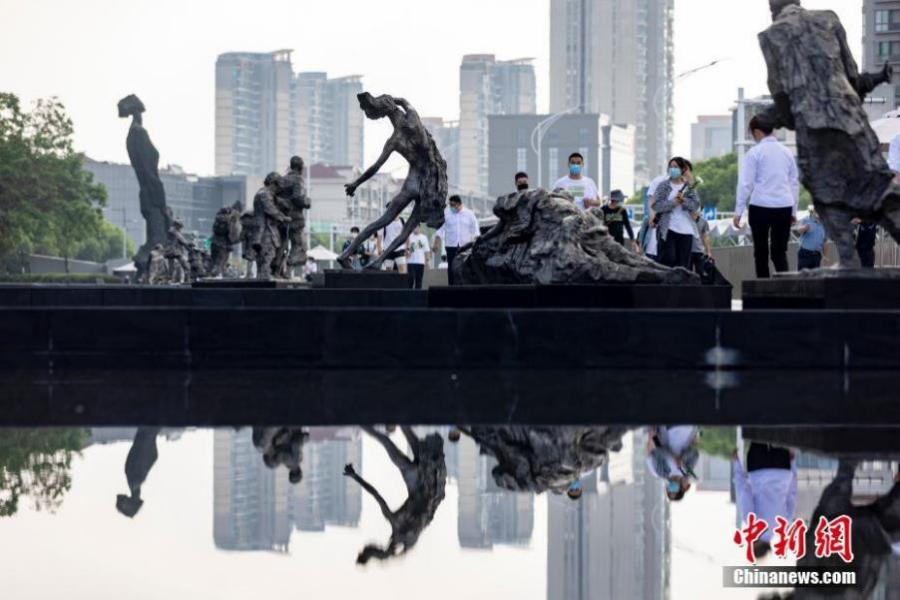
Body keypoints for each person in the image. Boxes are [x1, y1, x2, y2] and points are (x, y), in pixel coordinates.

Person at [338, 94, 448, 270]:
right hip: (429, 182)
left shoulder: (394, 140)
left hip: (413, 181)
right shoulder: (414, 120)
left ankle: (347, 255)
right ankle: (379, 260)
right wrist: (390, 100)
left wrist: (356, 183)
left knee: (384, 220)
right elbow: (405, 101)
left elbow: (375, 167)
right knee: (407, 230)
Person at [733, 114, 800, 278]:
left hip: (760, 206)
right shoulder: (787, 152)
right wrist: (793, 211)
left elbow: (746, 184)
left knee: (760, 253)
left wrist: (738, 211)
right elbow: (794, 183)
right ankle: (785, 291)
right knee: (779, 252)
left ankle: (762, 293)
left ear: (756, 132)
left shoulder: (755, 152)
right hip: (783, 207)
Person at [733, 443, 797, 561]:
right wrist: (736, 464)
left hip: (782, 469)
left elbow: (792, 493)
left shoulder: (785, 523)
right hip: (759, 469)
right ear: (755, 545)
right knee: (758, 429)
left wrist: (792, 464)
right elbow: (743, 491)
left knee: (778, 431)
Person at [652, 157, 701, 269]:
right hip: (668, 229)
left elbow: (695, 205)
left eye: (676, 167)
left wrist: (683, 200)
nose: (672, 169)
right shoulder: (663, 186)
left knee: (684, 264)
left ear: (683, 169)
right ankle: (667, 285)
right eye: (671, 167)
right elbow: (657, 206)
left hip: (686, 229)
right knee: (668, 259)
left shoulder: (689, 187)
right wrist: (673, 202)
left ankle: (682, 286)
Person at [433, 195, 479, 285]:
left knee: (465, 267)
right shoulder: (446, 214)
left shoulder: (469, 214)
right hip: (451, 246)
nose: (451, 207)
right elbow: (440, 230)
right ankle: (452, 287)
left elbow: (475, 231)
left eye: (453, 205)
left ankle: (464, 287)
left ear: (459, 204)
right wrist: (436, 243)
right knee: (451, 267)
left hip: (465, 246)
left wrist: (476, 244)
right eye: (450, 205)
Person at [646, 426, 700, 502]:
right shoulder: (686, 471)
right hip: (688, 429)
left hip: (667, 428)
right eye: (674, 491)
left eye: (670, 491)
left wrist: (673, 457)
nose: (672, 489)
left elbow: (656, 451)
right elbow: (695, 453)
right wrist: (682, 458)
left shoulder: (661, 472)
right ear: (681, 489)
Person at [406, 224, 430, 289]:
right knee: (410, 280)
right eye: (414, 227)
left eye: (416, 227)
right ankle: (409, 295)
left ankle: (418, 296)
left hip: (420, 262)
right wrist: (408, 251)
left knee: (418, 281)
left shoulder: (424, 237)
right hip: (410, 262)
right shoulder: (409, 237)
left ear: (419, 227)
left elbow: (426, 250)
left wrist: (427, 261)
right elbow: (406, 248)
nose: (415, 228)